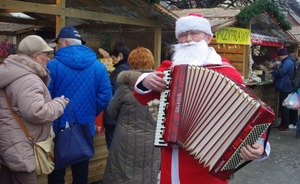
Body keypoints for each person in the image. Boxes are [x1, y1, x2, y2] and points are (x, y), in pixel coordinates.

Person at [133, 13, 271, 184]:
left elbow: (249, 111)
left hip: (211, 157)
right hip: (173, 154)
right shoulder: (169, 69)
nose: (189, 39)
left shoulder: (226, 71)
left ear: (208, 38)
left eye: (195, 33)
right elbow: (142, 97)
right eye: (183, 35)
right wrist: (144, 81)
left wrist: (260, 142)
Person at [47, 26, 112, 184]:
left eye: (59, 44)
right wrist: (90, 112)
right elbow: (105, 97)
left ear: (67, 42)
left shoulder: (52, 66)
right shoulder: (98, 66)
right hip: (85, 128)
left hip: (58, 128)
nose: (58, 47)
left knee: (56, 174)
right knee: (81, 174)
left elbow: (46, 97)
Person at [0, 35, 69, 184]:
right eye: (46, 55)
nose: (48, 58)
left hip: (10, 144)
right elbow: (36, 112)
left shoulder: (11, 71)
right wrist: (59, 103)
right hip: (21, 149)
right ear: (35, 57)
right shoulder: (29, 79)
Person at [102, 47, 161, 184]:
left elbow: (112, 112)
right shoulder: (160, 86)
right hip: (151, 140)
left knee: (122, 176)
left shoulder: (124, 87)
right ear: (151, 63)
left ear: (131, 63)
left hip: (125, 140)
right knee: (147, 175)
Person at [102, 42, 131, 150]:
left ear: (120, 56)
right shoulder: (130, 68)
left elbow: (113, 95)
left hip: (114, 118)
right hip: (124, 117)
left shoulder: (120, 71)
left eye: (114, 58)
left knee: (113, 149)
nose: (113, 62)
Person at [271, 48, 297, 131]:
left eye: (279, 57)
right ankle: (286, 123)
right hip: (287, 86)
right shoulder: (289, 61)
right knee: (286, 106)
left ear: (281, 56)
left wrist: (273, 73)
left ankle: (285, 125)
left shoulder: (287, 62)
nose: (279, 58)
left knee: (284, 106)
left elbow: (281, 72)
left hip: (285, 86)